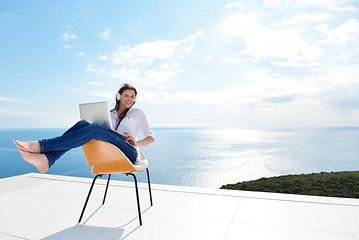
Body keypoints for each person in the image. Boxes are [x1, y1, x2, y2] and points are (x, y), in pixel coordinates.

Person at [13, 83, 155, 173]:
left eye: (132, 96)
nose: (130, 99)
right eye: (126, 95)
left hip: (128, 151)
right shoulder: (109, 113)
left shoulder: (138, 113)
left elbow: (151, 137)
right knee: (83, 124)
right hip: (109, 149)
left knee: (95, 129)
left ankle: (42, 146)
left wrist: (136, 143)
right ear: (119, 96)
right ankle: (48, 159)